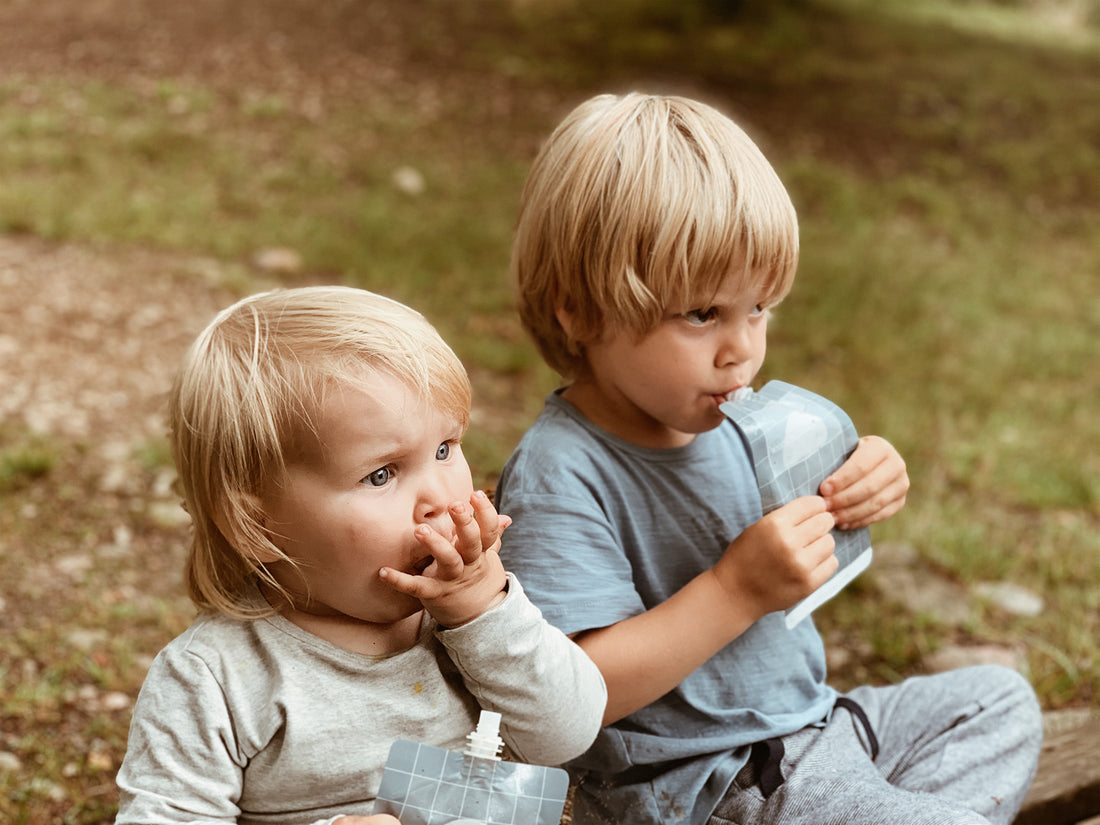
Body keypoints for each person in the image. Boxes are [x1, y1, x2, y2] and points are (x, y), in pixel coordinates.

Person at [494, 92, 1042, 825]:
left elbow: (821, 518)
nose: (742, 347)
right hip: (712, 780)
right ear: (581, 311)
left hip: (813, 730)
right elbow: (571, 696)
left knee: (995, 700)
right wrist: (736, 590)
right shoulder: (564, 470)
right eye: (702, 313)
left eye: (759, 308)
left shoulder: (734, 423)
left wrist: (868, 477)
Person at [115, 286, 606, 825]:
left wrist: (484, 611)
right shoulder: (215, 680)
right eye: (381, 474)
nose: (441, 499)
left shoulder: (476, 626)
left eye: (445, 450)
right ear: (254, 524)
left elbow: (569, 734)